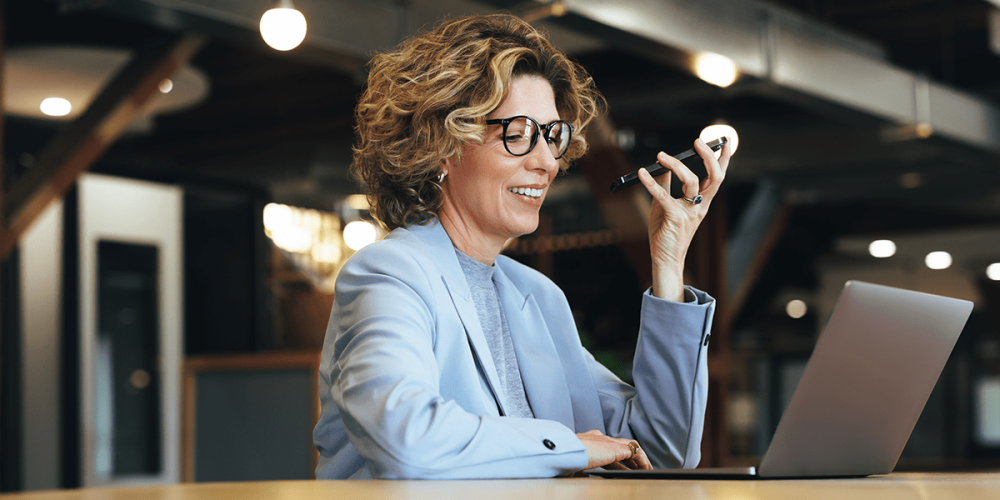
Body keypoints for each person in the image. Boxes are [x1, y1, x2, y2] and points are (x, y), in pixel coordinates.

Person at [312, 13, 731, 480]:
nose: (547, 161)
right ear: (444, 145)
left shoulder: (539, 297)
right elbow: (406, 439)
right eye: (518, 135)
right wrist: (568, 446)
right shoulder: (389, 274)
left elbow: (661, 451)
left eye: (553, 136)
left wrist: (668, 266)